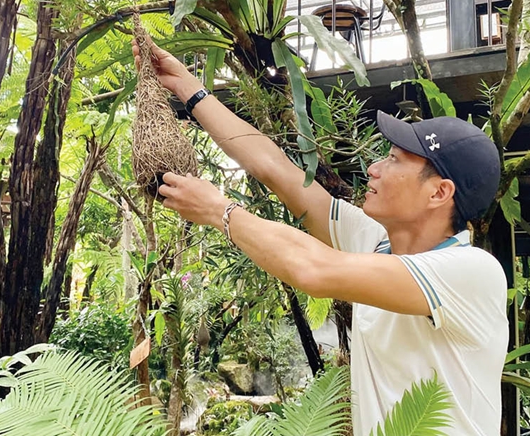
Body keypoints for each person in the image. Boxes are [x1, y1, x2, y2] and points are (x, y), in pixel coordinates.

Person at [132, 38, 508, 436]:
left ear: (439, 193)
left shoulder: (470, 273)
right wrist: (187, 86)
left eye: (395, 160)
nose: (376, 168)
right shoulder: (375, 240)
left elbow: (312, 269)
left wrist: (218, 211)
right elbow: (274, 167)